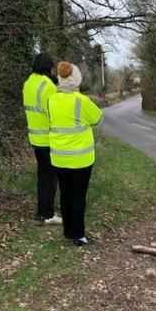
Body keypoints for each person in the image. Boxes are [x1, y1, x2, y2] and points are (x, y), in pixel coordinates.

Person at [48, 62, 103, 246]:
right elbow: (98, 119)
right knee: (78, 196)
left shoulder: (51, 100)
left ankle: (68, 230)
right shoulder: (82, 101)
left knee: (65, 194)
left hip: (58, 157)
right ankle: (78, 235)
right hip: (80, 158)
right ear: (76, 79)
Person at [23, 53, 62, 226]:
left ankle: (41, 211)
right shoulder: (49, 86)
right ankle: (48, 214)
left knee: (42, 175)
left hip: (34, 136)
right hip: (48, 138)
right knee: (51, 177)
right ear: (48, 66)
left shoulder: (28, 82)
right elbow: (55, 112)